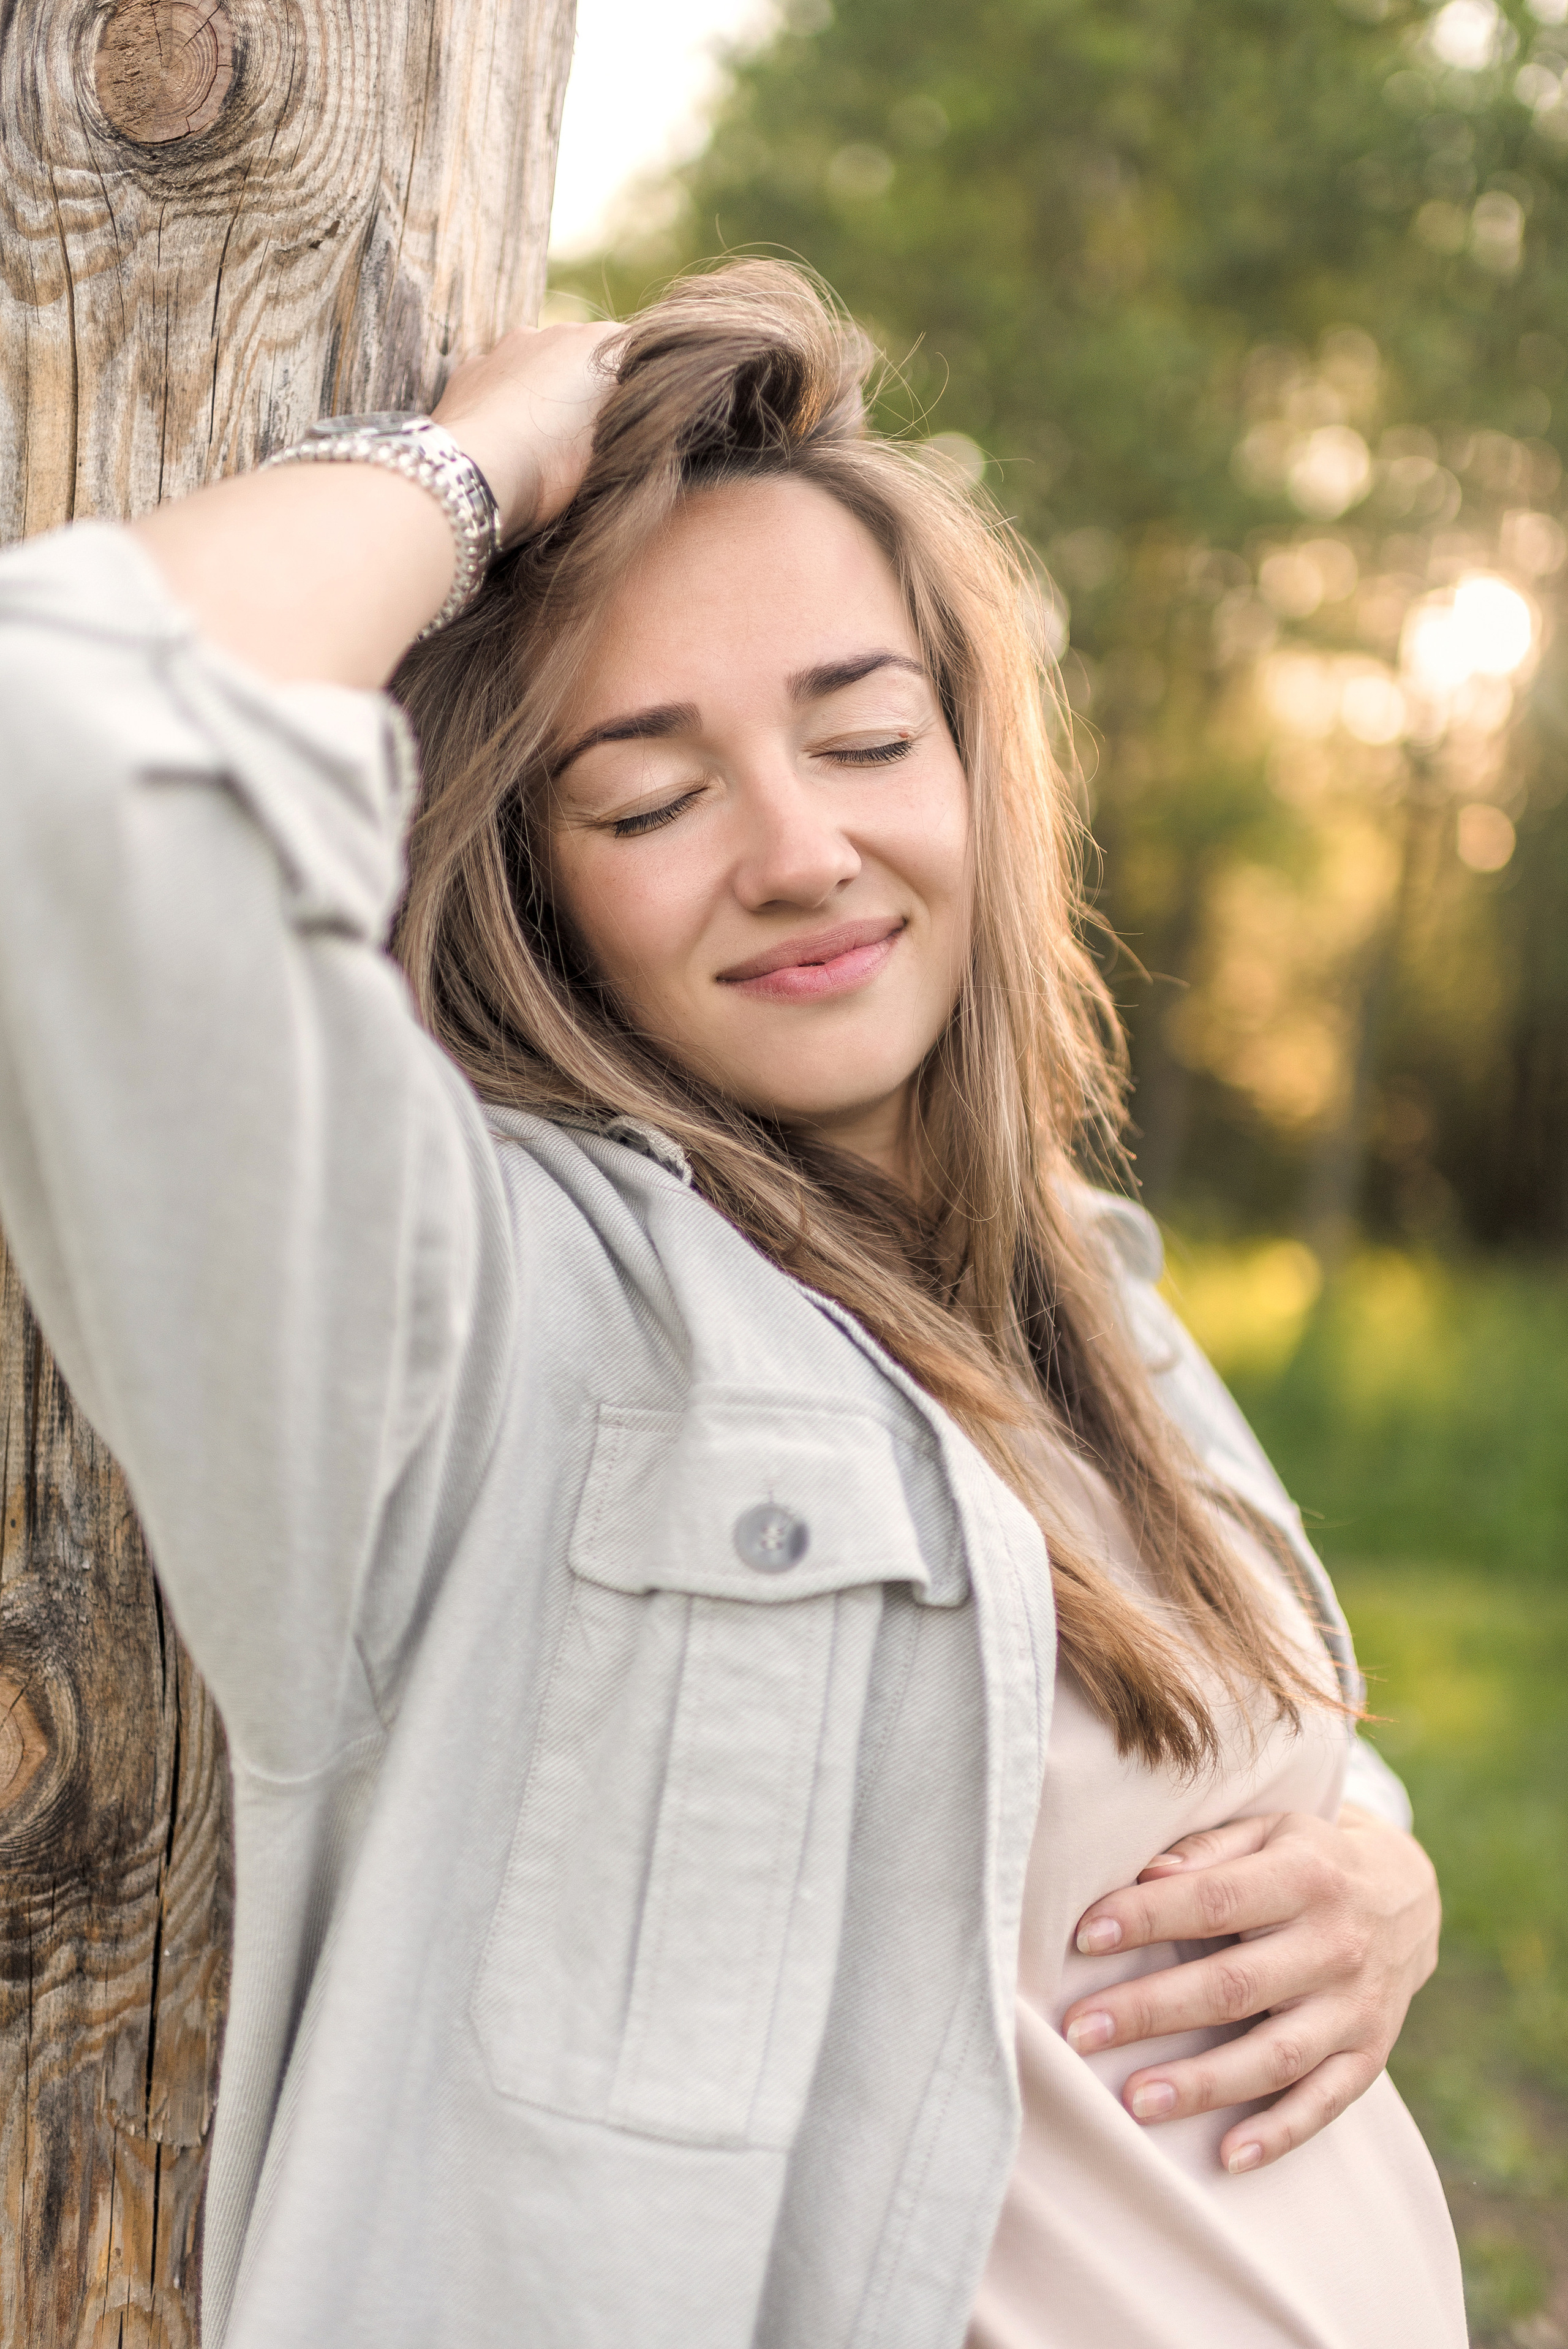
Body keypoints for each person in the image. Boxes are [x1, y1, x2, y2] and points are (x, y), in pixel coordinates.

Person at [0, 262, 1463, 2349]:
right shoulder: (486, 1324)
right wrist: (479, 457)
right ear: (527, 870)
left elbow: (1143, 1739)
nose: (798, 849)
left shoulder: (1078, 1287)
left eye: (864, 733)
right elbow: (63, 729)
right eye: (650, 796)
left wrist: (1377, 1868)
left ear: (975, 767)